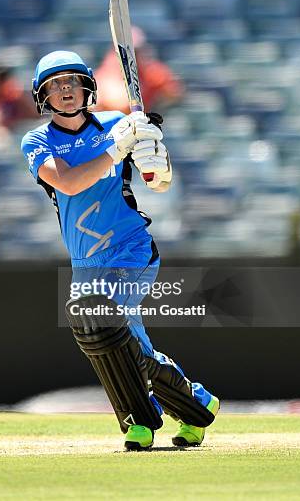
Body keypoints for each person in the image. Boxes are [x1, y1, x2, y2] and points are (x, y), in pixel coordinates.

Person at [21, 50, 219, 450]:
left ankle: (139, 424)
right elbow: (71, 183)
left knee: (105, 326)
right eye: (55, 85)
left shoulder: (116, 123)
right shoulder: (37, 140)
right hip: (85, 262)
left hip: (130, 248)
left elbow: (157, 183)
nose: (65, 91)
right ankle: (197, 404)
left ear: (87, 87)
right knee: (114, 343)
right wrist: (116, 148)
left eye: (72, 82)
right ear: (42, 96)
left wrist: (157, 162)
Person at [94, 27, 184, 115]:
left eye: (135, 51)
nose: (131, 55)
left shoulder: (152, 71)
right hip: (114, 126)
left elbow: (175, 93)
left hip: (143, 125)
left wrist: (156, 104)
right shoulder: (107, 72)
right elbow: (121, 105)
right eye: (127, 51)